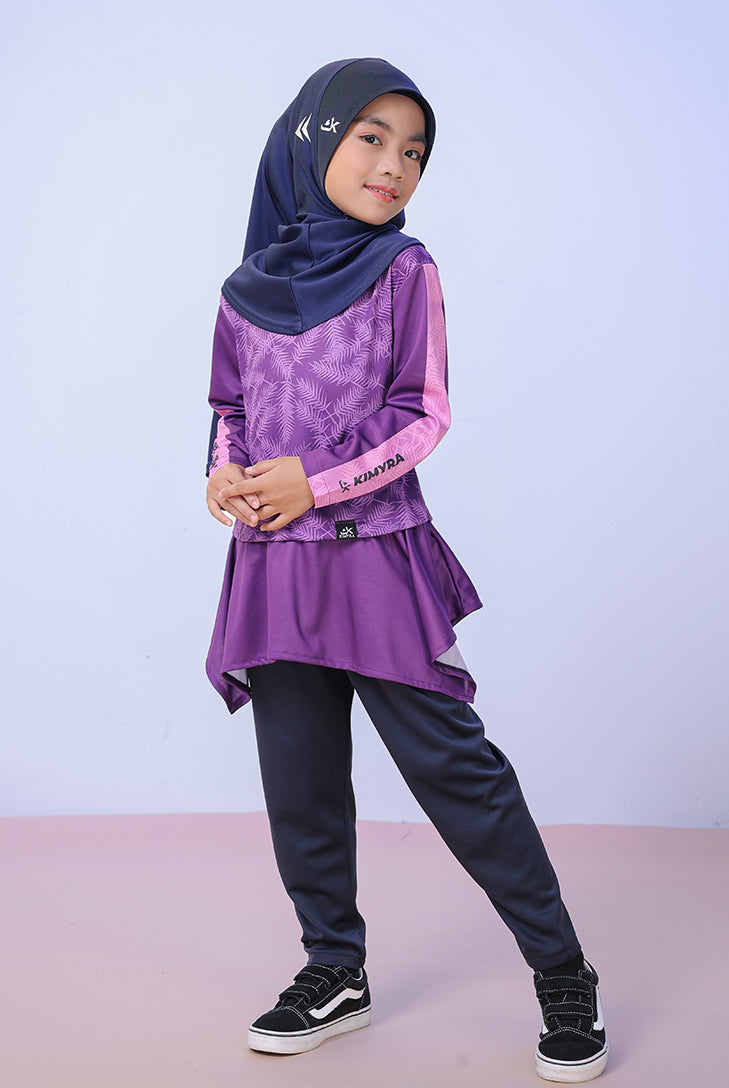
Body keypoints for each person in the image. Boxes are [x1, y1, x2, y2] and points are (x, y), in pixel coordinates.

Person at [204, 58, 608, 1083]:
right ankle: (333, 968)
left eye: (415, 152)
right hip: (271, 562)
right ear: (312, 142)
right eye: (372, 138)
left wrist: (316, 480)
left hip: (374, 555)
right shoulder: (245, 290)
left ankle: (563, 970)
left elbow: (422, 412)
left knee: (454, 768)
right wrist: (224, 475)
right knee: (299, 778)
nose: (395, 166)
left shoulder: (403, 269)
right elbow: (230, 409)